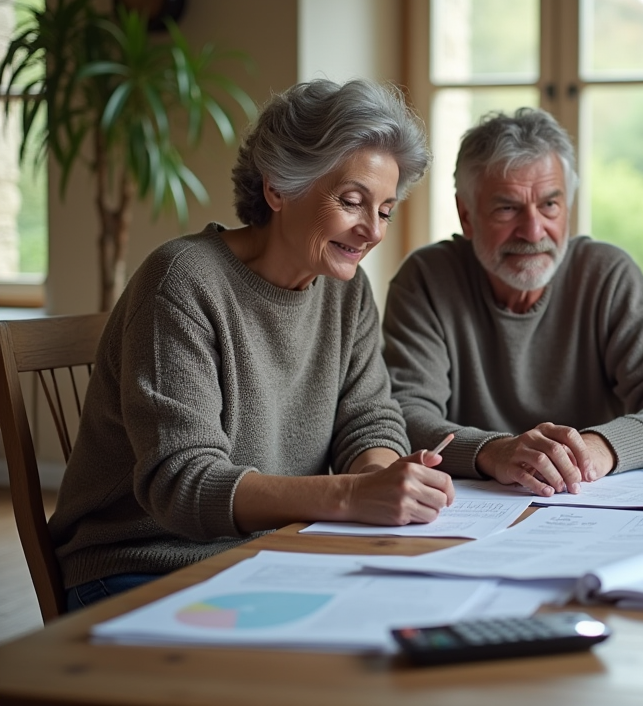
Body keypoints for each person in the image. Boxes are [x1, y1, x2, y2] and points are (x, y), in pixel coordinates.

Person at [49, 79, 455, 611]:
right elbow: (183, 483)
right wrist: (354, 496)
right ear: (278, 189)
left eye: (384, 210)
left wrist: (384, 477)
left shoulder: (345, 290)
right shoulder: (182, 280)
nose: (372, 232)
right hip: (144, 567)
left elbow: (369, 420)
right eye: (352, 202)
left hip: (270, 556)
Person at [381, 107, 643, 498]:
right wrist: (493, 452)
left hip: (593, 503)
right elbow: (401, 415)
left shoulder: (606, 274)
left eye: (549, 205)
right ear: (467, 215)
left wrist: (598, 449)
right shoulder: (427, 278)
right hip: (470, 512)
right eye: (507, 208)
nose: (532, 231)